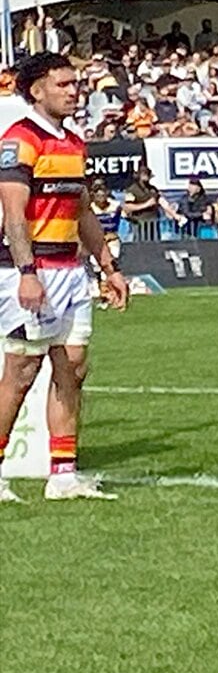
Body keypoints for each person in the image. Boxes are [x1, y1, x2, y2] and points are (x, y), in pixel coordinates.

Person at [0, 53, 129, 504]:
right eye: (64, 84)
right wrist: (27, 272)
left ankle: (63, 476)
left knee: (73, 369)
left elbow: (82, 211)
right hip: (33, 271)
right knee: (21, 372)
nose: (75, 91)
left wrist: (109, 267)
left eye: (76, 84)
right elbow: (14, 213)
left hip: (71, 272)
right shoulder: (21, 140)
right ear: (37, 90)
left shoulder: (73, 142)